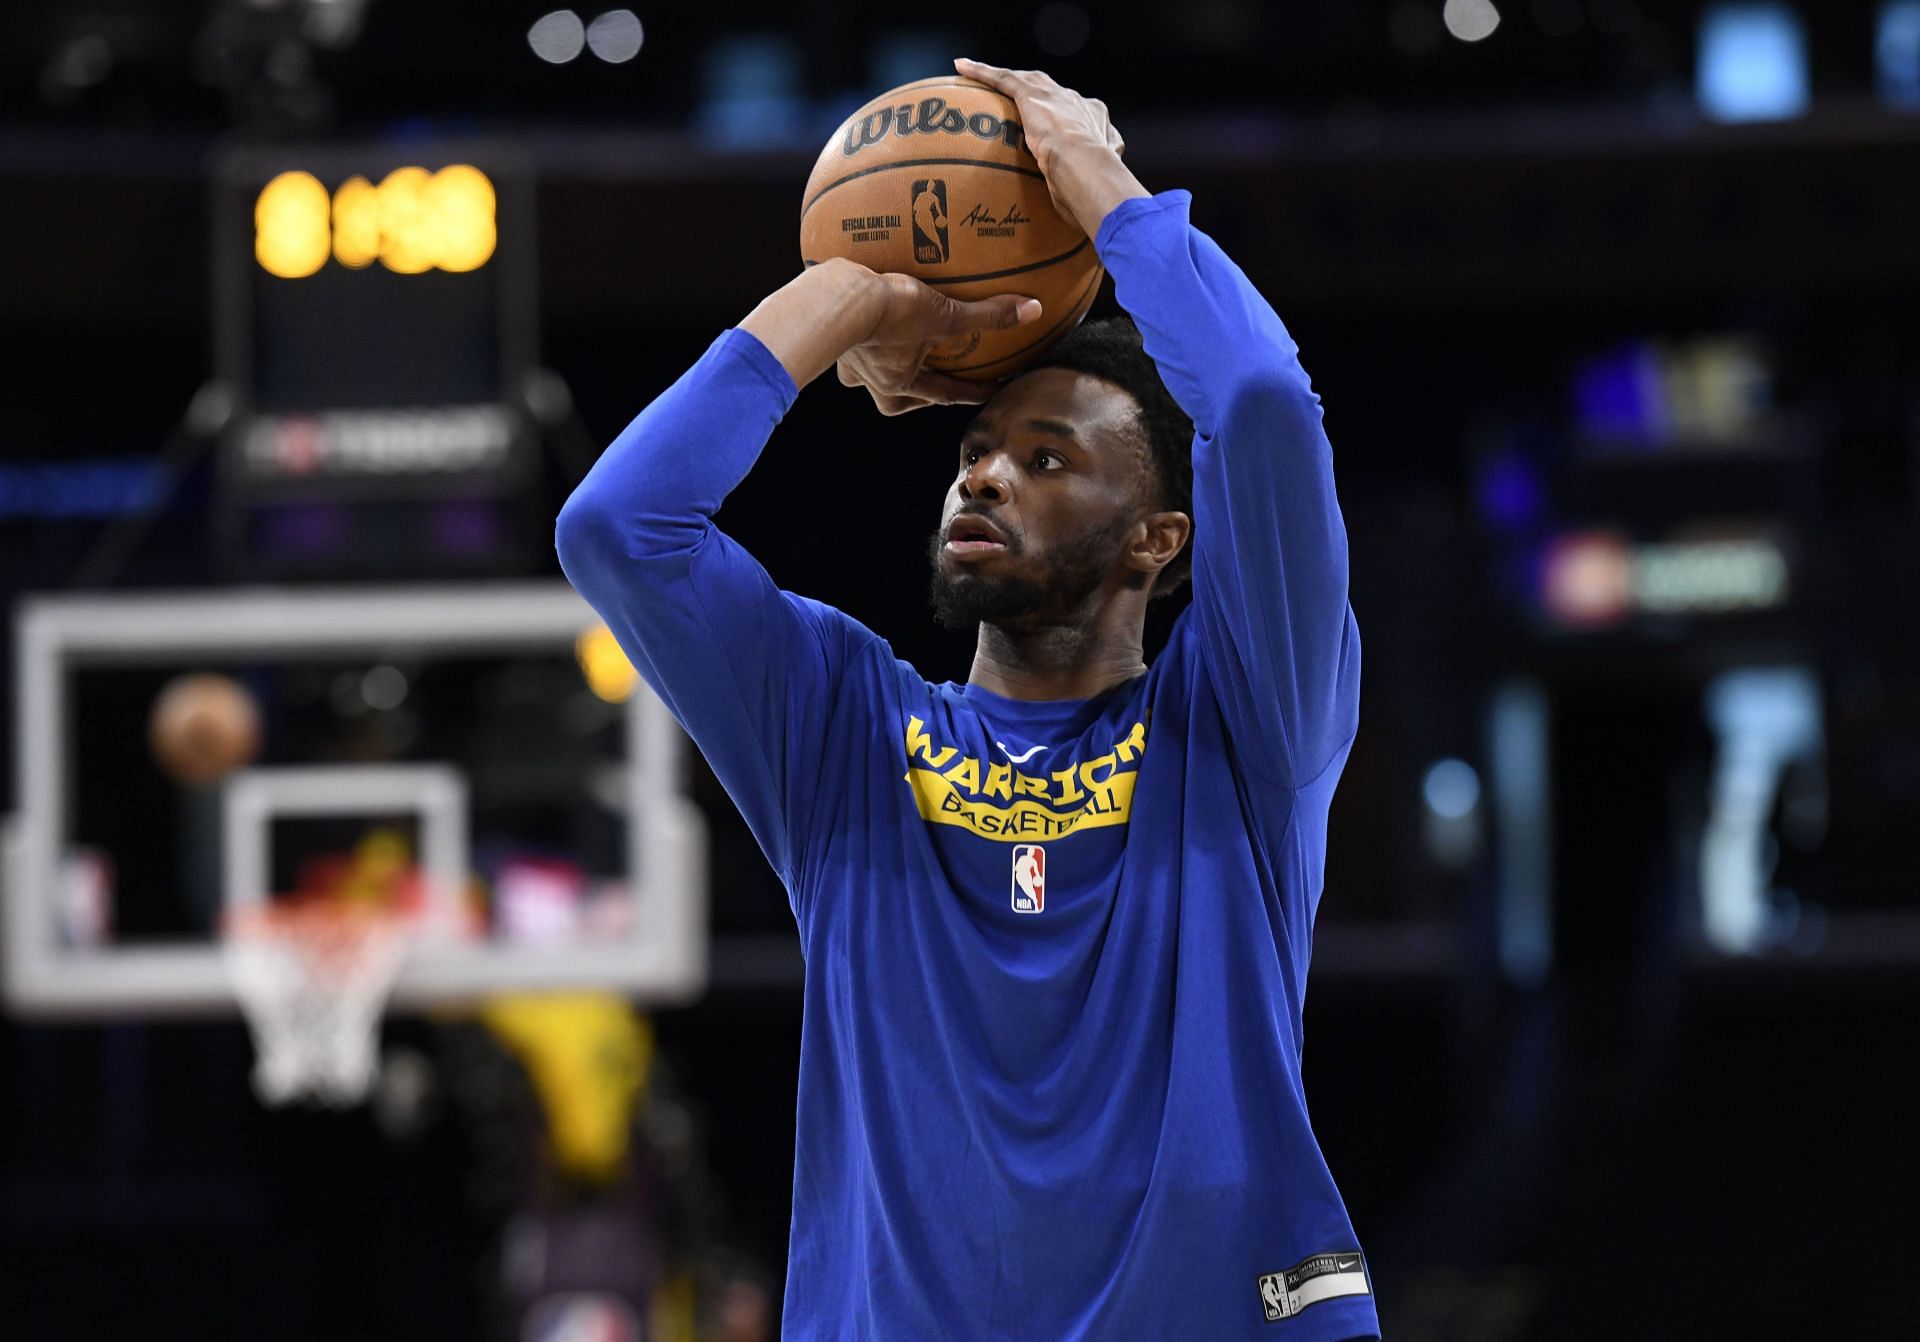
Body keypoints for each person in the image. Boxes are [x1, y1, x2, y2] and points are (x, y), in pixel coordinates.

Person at [558, 58, 1375, 1342]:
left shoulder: (1244, 726)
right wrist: (849, 294)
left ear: (1161, 539)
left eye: (1045, 460)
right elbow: (619, 527)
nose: (983, 479)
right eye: (974, 454)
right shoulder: (841, 731)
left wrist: (1102, 188)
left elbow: (1265, 404)